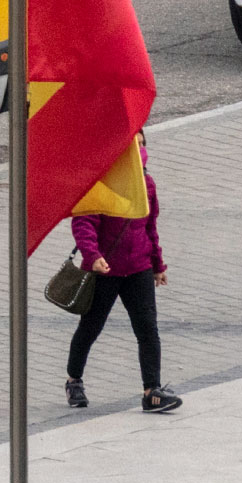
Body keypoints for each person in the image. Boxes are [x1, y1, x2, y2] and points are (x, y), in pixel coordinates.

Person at [64, 132, 181, 413]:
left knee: (148, 329)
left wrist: (157, 265)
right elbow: (83, 223)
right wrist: (93, 256)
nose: (139, 150)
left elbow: (150, 227)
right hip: (105, 270)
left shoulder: (147, 184)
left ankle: (152, 391)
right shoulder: (101, 182)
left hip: (139, 268)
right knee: (91, 327)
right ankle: (74, 380)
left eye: (142, 144)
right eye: (133, 145)